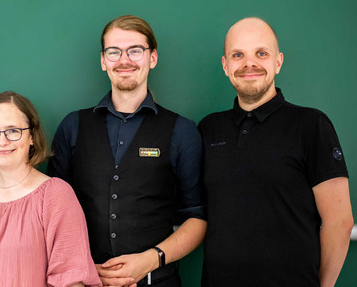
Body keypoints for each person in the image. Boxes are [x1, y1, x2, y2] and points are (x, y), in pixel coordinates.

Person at [47, 15, 207, 286]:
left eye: (135, 50)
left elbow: (197, 217)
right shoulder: (73, 126)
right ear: (103, 60)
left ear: (152, 58)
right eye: (114, 51)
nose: (124, 60)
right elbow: (53, 213)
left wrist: (149, 260)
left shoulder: (182, 130)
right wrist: (82, 270)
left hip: (158, 281)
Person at [198, 17, 354, 287]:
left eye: (261, 53)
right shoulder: (208, 129)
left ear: (278, 62)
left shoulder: (310, 125)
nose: (249, 63)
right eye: (238, 55)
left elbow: (340, 221)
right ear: (225, 65)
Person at [0, 91, 101, 287]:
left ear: (32, 136)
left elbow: (71, 280)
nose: (2, 141)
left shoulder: (55, 196)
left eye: (13, 131)